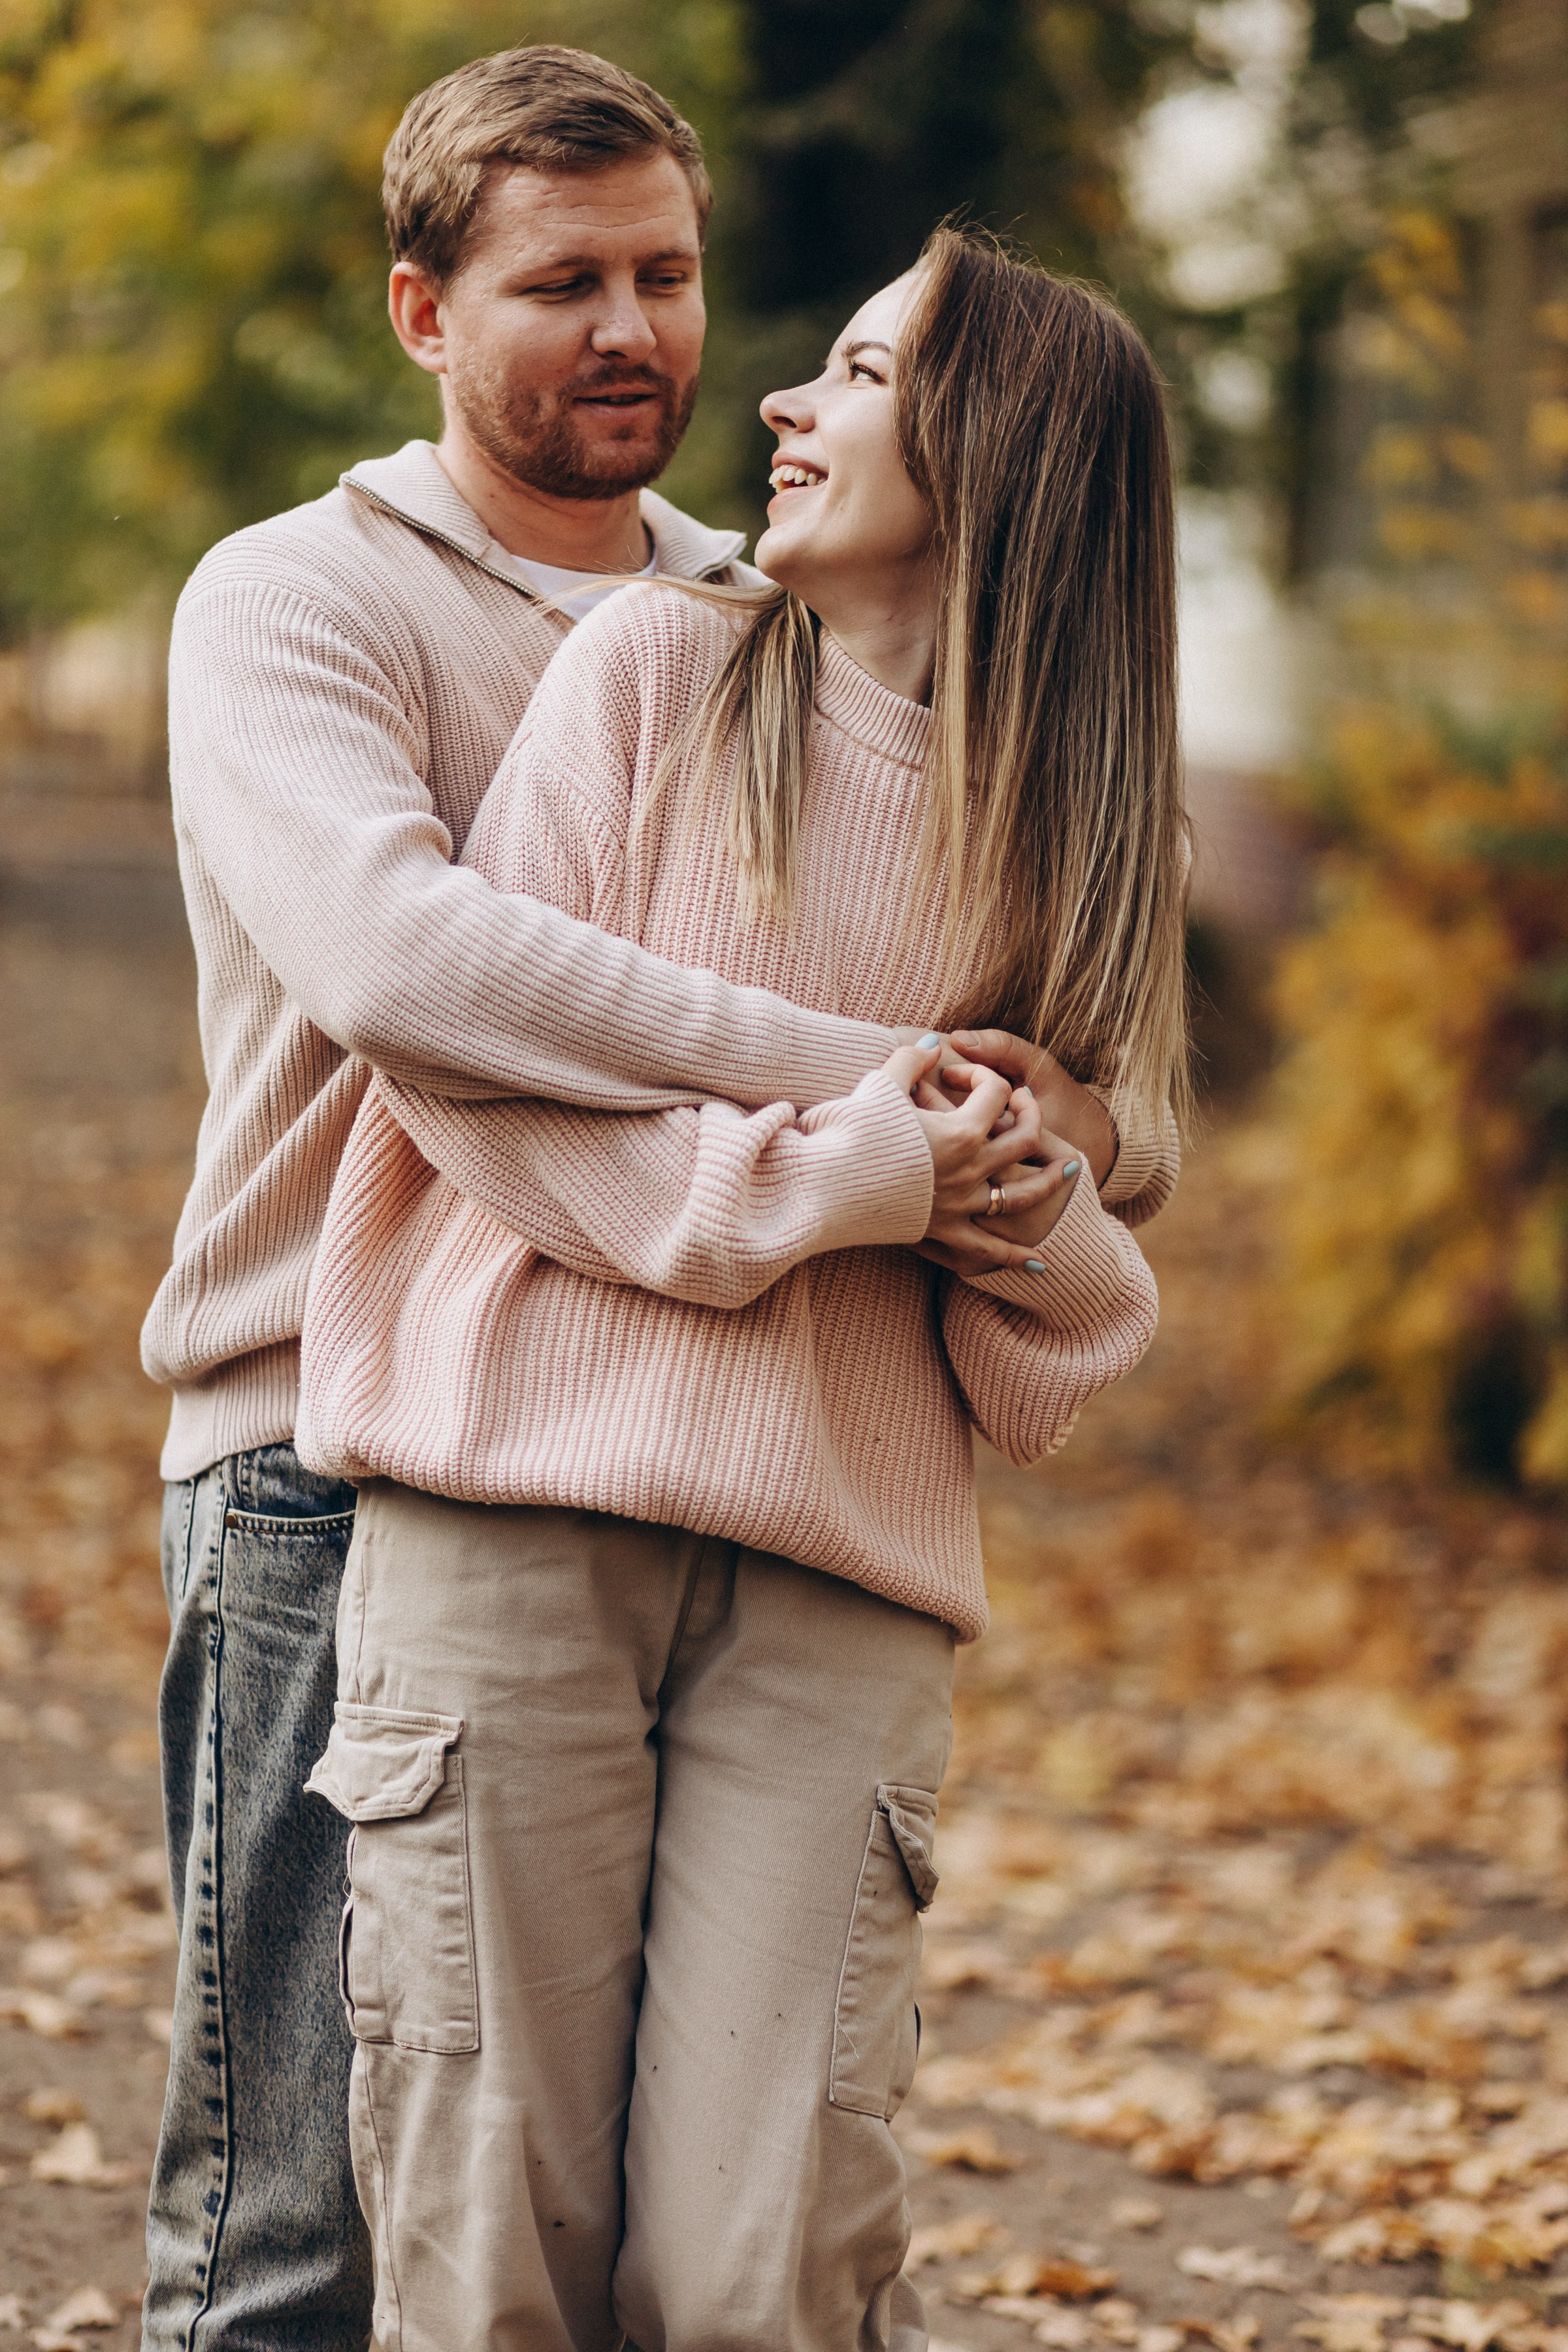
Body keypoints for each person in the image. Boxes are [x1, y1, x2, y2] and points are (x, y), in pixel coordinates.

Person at [139, 44, 1173, 2352]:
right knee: (306, 2231)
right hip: (331, 1429)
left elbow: (1092, 1105)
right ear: (425, 312)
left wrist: (1047, 1144)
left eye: (671, 276)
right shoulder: (295, 599)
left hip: (764, 1484)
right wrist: (876, 1121)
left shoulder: (758, 609)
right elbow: (414, 977)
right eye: (564, 283)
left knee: (717, 2240)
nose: (641, 334)